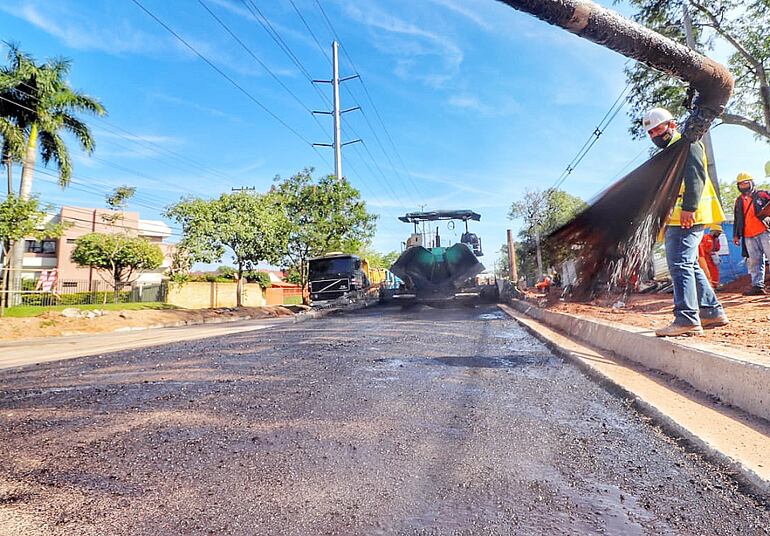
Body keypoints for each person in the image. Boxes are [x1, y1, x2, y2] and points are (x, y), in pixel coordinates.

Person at [642, 108, 728, 336]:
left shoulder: (687, 144)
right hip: (680, 218)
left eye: (657, 129)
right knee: (688, 264)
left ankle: (686, 318)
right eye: (650, 133)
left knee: (679, 265)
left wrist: (688, 209)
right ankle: (711, 311)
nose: (654, 135)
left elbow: (696, 176)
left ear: (671, 125)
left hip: (687, 217)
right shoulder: (671, 152)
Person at [732, 172, 770, 295]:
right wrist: (736, 235)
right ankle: (757, 286)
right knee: (754, 261)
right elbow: (737, 219)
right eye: (741, 184)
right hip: (748, 235)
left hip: (764, 231)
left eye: (745, 183)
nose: (743, 186)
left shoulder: (762, 194)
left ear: (751, 183)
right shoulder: (738, 201)